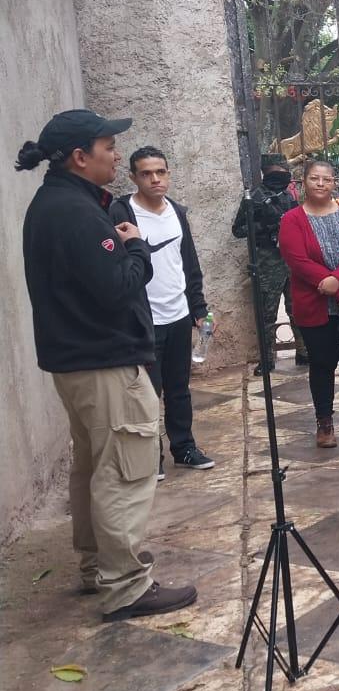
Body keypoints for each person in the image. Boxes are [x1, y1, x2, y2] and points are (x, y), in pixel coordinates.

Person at [17, 109, 197, 621]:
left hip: (77, 360)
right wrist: (136, 247)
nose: (116, 154)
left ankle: (98, 566)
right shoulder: (73, 211)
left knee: (93, 464)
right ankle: (127, 586)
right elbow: (117, 287)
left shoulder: (59, 203)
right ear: (80, 156)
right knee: (123, 469)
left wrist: (116, 244)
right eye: (107, 146)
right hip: (104, 360)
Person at [110, 146, 215, 478]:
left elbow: (189, 265)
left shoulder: (177, 212)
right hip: (144, 321)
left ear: (168, 174)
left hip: (179, 314)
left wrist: (198, 309)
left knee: (179, 388)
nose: (155, 179)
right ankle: (149, 458)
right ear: (133, 177)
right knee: (146, 393)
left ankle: (183, 448)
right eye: (146, 173)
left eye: (161, 172)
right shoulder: (121, 213)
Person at [278, 158, 339, 447]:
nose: (321, 183)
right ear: (302, 183)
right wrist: (338, 289)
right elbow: (298, 262)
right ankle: (325, 422)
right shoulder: (292, 220)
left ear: (335, 183)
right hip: (316, 302)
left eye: (327, 179)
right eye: (314, 179)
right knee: (322, 364)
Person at [233, 154, 307, 373]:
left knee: (297, 309)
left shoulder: (287, 196)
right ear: (267, 170)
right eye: (280, 169)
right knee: (267, 314)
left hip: (291, 261)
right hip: (267, 264)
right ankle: (266, 359)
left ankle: (304, 353)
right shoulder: (254, 197)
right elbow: (238, 230)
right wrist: (264, 226)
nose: (284, 173)